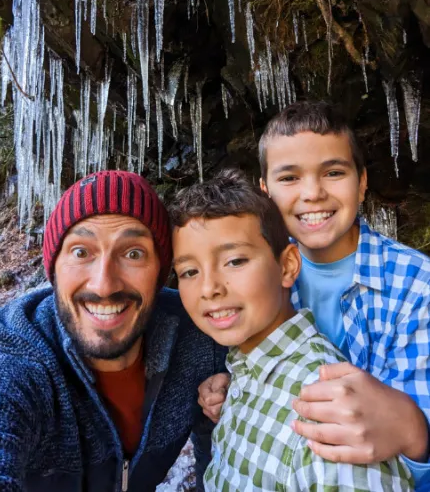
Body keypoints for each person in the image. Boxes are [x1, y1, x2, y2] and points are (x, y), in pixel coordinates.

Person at [0, 170, 225, 492]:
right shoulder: (5, 358)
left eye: (133, 253)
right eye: (81, 252)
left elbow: (217, 440)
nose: (104, 284)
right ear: (53, 269)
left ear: (160, 271)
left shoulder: (200, 331)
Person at [198, 101, 430, 490]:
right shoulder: (256, 271)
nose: (313, 194)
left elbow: (416, 435)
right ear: (265, 191)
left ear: (362, 182)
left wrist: (414, 430)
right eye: (289, 178)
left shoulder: (417, 286)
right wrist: (238, 389)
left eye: (334, 172)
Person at [170, 169, 413, 490]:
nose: (209, 288)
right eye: (189, 271)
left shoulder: (326, 425)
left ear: (287, 266)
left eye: (235, 261)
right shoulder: (244, 369)